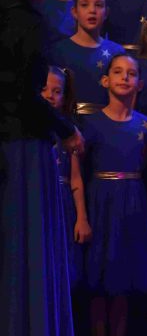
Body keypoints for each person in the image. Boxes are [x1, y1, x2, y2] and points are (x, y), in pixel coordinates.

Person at [0, 0, 82, 336]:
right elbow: (25, 97)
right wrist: (66, 129)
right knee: (24, 252)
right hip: (21, 151)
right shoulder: (29, 25)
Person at [79, 53, 147, 336]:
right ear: (105, 80)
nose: (125, 78)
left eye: (131, 73)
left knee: (124, 274)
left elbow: (144, 161)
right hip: (101, 200)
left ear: (139, 82)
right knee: (101, 274)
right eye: (118, 72)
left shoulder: (145, 125)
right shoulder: (91, 124)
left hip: (132, 199)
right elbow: (80, 170)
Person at [46, 0, 125, 116]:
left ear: (106, 12)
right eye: (84, 5)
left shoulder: (117, 53)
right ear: (74, 12)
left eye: (98, 5)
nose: (92, 10)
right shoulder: (58, 51)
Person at [41, 66, 89, 289]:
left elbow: (76, 179)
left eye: (57, 91)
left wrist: (81, 218)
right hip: (39, 201)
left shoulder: (69, 133)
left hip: (62, 204)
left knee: (62, 265)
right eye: (44, 89)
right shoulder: (29, 135)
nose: (50, 95)